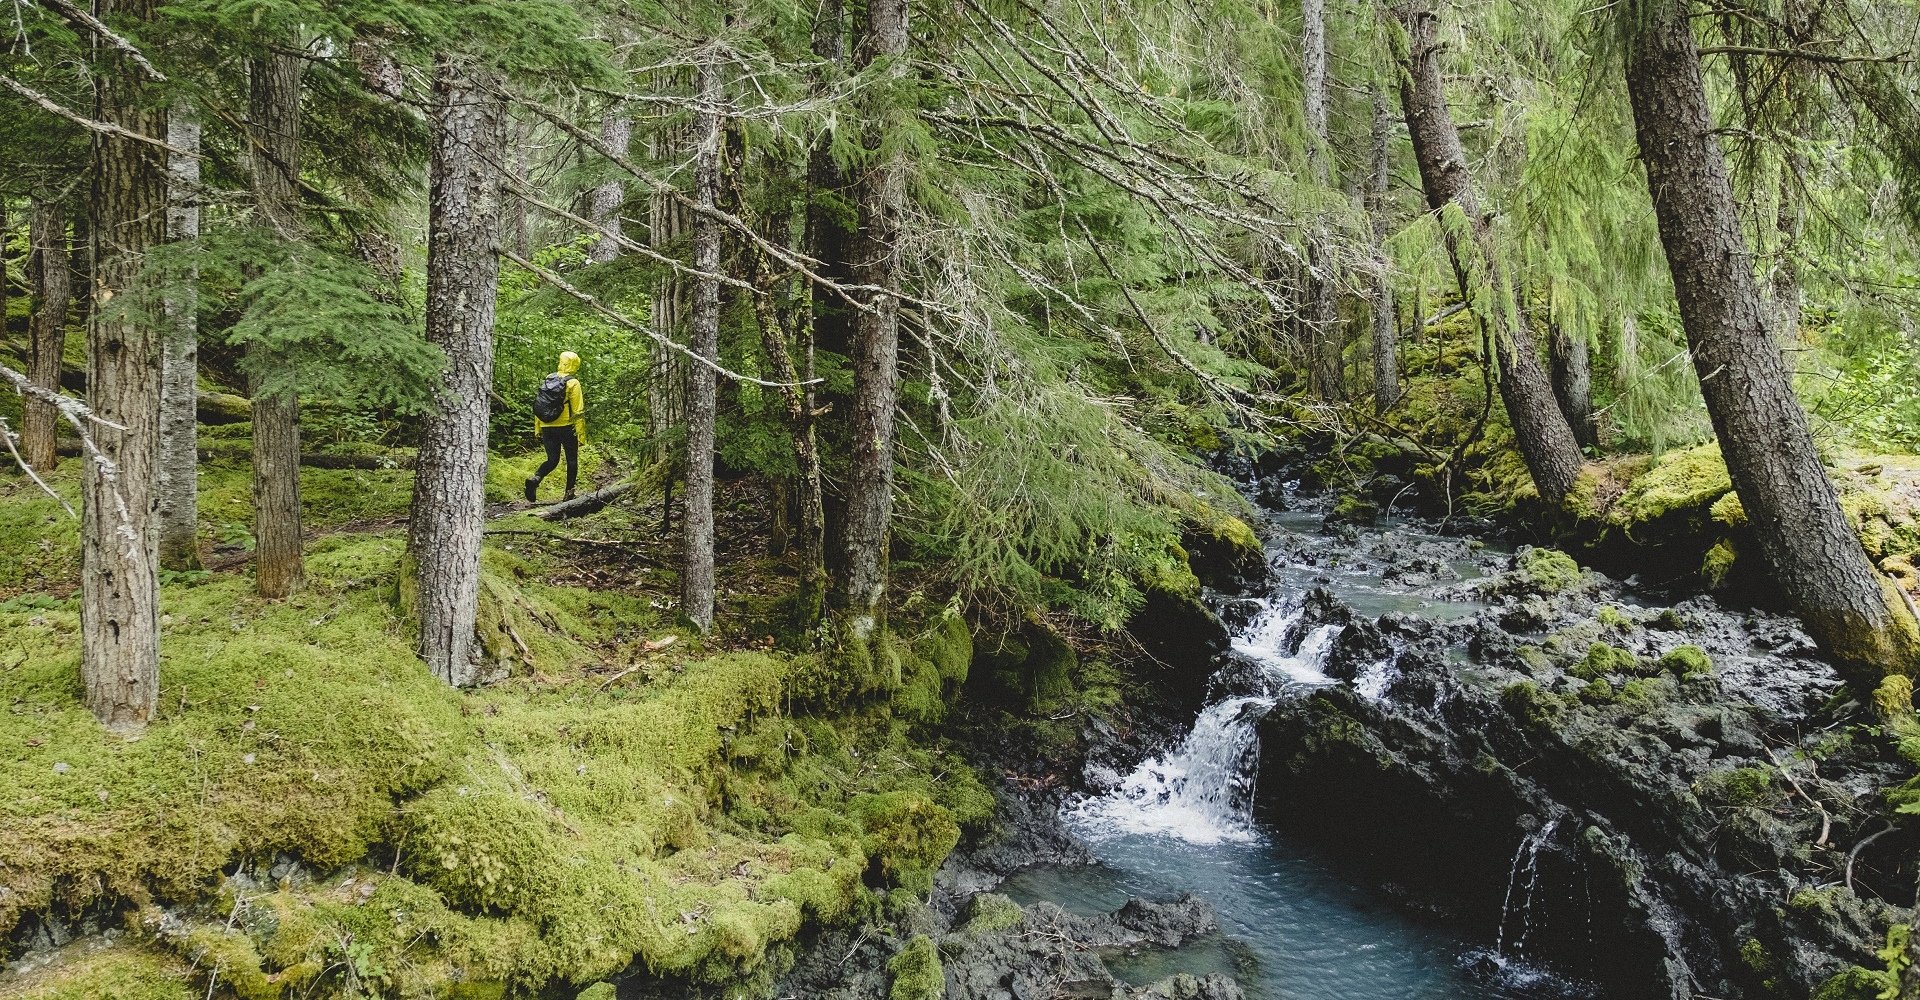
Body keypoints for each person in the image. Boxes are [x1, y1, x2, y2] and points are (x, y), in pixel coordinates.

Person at [526, 351, 586, 502]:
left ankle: (536, 478)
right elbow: (578, 411)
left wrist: (538, 427)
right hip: (566, 427)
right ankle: (569, 494)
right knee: (571, 460)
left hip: (547, 426)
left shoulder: (549, 379)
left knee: (552, 459)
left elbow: (540, 405)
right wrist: (581, 434)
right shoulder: (573, 383)